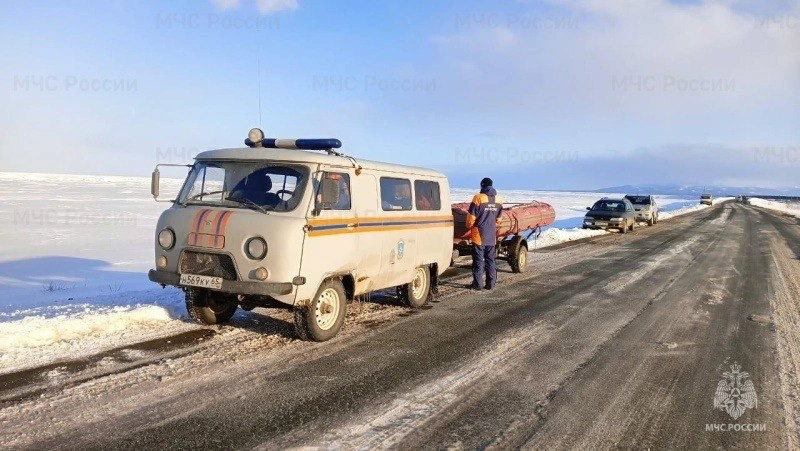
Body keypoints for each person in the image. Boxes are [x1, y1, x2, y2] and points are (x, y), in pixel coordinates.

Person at [466, 177, 503, 290]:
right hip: (491, 235)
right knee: (490, 260)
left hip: (479, 234)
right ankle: (490, 284)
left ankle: (478, 284)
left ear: (482, 185)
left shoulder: (478, 198)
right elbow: (499, 219)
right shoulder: (499, 200)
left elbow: (470, 218)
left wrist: (468, 226)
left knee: (478, 260)